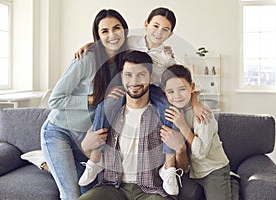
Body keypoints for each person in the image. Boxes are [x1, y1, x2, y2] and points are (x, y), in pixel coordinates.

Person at [77, 8, 210, 194]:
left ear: (170, 34)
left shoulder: (168, 56)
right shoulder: (131, 41)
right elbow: (110, 43)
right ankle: (95, 160)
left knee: (169, 109)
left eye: (165, 29)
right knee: (104, 104)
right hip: (129, 86)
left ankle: (169, 168)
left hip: (153, 90)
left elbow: (183, 82)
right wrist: (91, 45)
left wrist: (195, 103)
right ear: (146, 24)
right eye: (155, 25)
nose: (158, 32)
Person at [40, 9, 129, 200]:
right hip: (59, 131)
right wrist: (93, 99)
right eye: (104, 31)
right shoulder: (87, 59)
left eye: (116, 28)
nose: (112, 35)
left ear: (125, 30)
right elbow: (54, 99)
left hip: (85, 138)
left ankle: (51, 165)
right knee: (71, 195)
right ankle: (50, 161)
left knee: (88, 194)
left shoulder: (126, 61)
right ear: (98, 35)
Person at [79, 50, 185, 200]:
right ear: (122, 77)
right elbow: (92, 144)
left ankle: (169, 173)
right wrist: (86, 148)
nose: (134, 82)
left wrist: (180, 149)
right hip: (113, 187)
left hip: (151, 191)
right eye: (128, 75)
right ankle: (93, 165)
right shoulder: (109, 112)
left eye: (141, 75)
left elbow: (185, 166)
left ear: (151, 77)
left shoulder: (163, 113)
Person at [160, 64, 233, 200]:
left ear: (191, 88)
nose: (177, 96)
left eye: (182, 89)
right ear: (165, 92)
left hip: (214, 169)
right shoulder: (172, 110)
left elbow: (200, 153)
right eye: (171, 92)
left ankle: (232, 183)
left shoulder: (203, 114)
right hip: (192, 172)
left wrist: (182, 125)